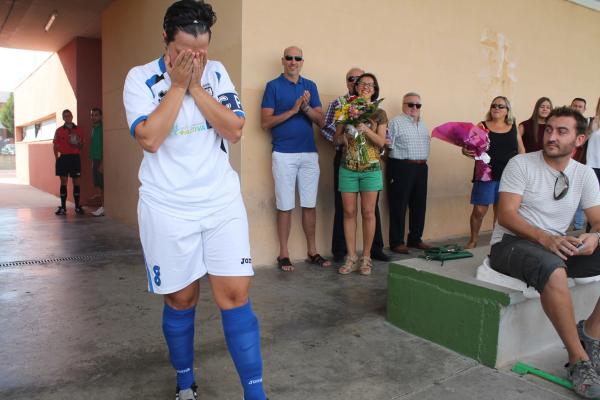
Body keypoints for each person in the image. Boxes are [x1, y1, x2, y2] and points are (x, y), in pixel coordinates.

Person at [122, 2, 267, 399]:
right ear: (166, 42)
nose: (194, 59)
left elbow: (234, 129)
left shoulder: (216, 73)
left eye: (201, 51)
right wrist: (178, 87)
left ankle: (256, 394)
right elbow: (149, 138)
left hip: (220, 202)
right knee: (182, 298)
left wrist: (198, 86)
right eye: (185, 52)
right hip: (166, 206)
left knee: (235, 295)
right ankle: (185, 381)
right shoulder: (139, 79)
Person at [489, 106, 600, 398]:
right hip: (511, 244)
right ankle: (579, 360)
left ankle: (590, 334)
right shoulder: (521, 164)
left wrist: (594, 236)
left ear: (579, 140)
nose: (551, 137)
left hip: (557, 244)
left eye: (562, 131)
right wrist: (546, 239)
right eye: (549, 129)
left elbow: (598, 217)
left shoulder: (584, 173)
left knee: (558, 260)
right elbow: (506, 215)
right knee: (553, 269)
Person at [261, 46, 330, 272]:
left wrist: (306, 107)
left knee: (309, 204)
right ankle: (284, 253)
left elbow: (321, 121)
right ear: (283, 61)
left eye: (297, 58)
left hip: (309, 154)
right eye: (289, 58)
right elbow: (265, 123)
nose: (293, 61)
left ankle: (312, 252)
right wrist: (293, 110)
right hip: (283, 154)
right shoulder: (273, 86)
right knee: (285, 205)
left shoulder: (310, 86)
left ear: (302, 61)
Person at [320, 67, 389, 262]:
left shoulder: (380, 113)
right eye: (361, 83)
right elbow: (334, 138)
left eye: (370, 84)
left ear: (375, 89)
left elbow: (382, 141)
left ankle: (367, 256)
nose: (366, 87)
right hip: (347, 166)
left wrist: (365, 129)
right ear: (355, 87)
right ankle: (349, 256)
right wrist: (343, 138)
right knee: (348, 212)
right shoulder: (344, 109)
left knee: (369, 212)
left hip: (370, 167)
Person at [463, 96, 523, 248]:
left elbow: (521, 150)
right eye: (494, 105)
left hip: (509, 175)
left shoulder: (513, 126)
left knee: (501, 212)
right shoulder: (482, 125)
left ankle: (496, 242)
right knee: (479, 210)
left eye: (501, 106)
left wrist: (524, 169)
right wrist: (465, 150)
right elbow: (469, 146)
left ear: (507, 110)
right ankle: (473, 240)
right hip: (486, 173)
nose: (496, 108)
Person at [386, 92, 432, 254]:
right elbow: (386, 146)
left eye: (417, 105)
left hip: (421, 168)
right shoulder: (395, 123)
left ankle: (415, 239)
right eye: (410, 104)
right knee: (399, 205)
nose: (414, 108)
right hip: (401, 166)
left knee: (419, 204)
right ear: (403, 105)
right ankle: (397, 242)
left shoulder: (423, 125)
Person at [53, 109, 84, 215]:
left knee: (76, 182)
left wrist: (77, 143)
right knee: (63, 182)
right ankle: (63, 207)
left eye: (69, 115)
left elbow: (82, 146)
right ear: (63, 118)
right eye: (65, 116)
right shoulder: (59, 130)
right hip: (63, 158)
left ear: (72, 116)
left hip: (75, 158)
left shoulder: (79, 129)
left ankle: (77, 207)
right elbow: (55, 146)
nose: (67, 117)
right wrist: (57, 159)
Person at [572, 98, 590, 230]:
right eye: (575, 106)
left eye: (580, 107)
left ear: (584, 109)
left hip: (581, 163)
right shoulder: (565, 122)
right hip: (564, 162)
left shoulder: (587, 124)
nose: (577, 108)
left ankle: (578, 226)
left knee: (580, 194)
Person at [89, 107, 104, 216]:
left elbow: (105, 146)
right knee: (99, 185)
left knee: (102, 185)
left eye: (96, 115)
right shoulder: (94, 128)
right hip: (95, 160)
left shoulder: (103, 129)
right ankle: (102, 206)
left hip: (100, 160)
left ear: (101, 116)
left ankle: (103, 207)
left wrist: (103, 162)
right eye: (92, 115)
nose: (93, 117)